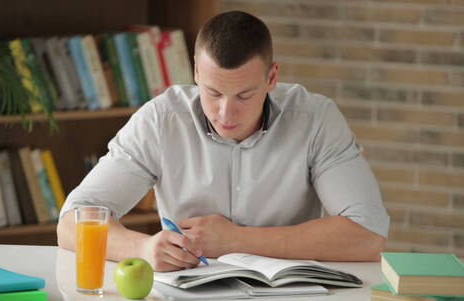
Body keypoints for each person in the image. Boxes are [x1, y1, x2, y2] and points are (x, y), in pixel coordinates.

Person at [57, 11, 389, 272]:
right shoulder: (160, 119)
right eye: (213, 93)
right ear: (197, 73)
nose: (226, 113)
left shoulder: (316, 119)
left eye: (245, 95)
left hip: (289, 295)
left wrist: (236, 240)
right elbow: (72, 222)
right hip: (186, 293)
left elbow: (367, 235)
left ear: (271, 77)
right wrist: (141, 248)